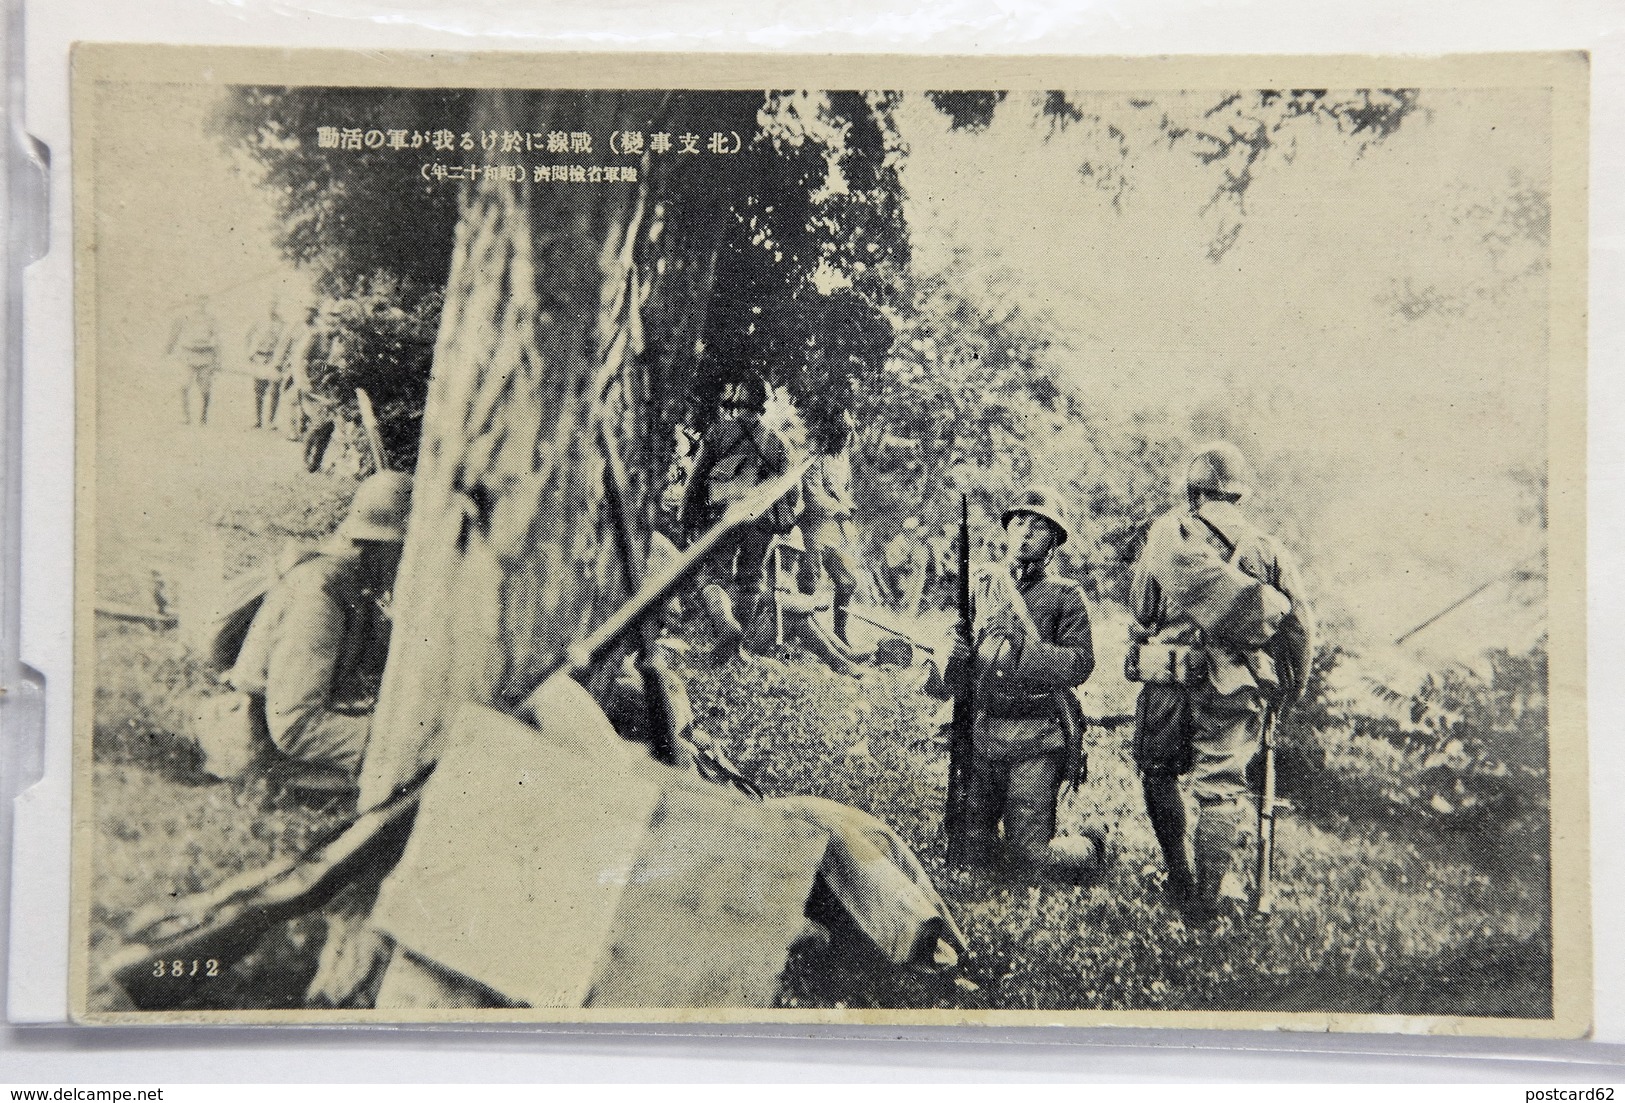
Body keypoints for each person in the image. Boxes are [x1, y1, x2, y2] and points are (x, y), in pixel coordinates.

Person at [1129, 442, 1314, 922]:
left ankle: (1179, 876)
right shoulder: (1267, 548)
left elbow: (1143, 609)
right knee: (1220, 788)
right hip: (1233, 688)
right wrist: (1290, 688)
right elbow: (1300, 628)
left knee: (1158, 773)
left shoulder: (1166, 535)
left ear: (1193, 492)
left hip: (1167, 679)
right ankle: (1208, 900)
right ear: (1237, 495)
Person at [206, 470, 412, 782]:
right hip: (265, 744)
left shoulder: (358, 586)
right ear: (383, 547)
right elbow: (295, 725)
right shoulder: (319, 594)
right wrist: (400, 745)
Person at [941, 486, 1101, 882]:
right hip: (982, 731)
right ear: (1006, 531)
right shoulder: (981, 585)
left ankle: (1090, 847)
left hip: (1037, 736)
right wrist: (954, 652)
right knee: (967, 853)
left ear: (1054, 542)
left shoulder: (1066, 597)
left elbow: (1080, 663)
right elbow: (956, 635)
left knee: (1030, 858)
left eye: (1039, 526)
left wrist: (1023, 651)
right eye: (1019, 523)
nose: (1026, 533)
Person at [678, 376, 797, 661]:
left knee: (712, 576)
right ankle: (739, 648)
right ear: (764, 405)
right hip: (763, 518)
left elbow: (696, 478)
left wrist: (686, 514)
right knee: (751, 579)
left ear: (737, 402)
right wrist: (781, 518)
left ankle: (726, 626)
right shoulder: (778, 442)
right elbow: (792, 490)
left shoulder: (719, 432)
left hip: (725, 514)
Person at [745, 527, 862, 676]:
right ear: (778, 552)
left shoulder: (785, 575)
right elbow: (779, 601)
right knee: (799, 616)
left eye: (796, 553)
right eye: (790, 552)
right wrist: (813, 603)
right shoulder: (767, 574)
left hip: (775, 632)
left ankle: (843, 653)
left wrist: (811, 602)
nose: (795, 557)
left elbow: (792, 600)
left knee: (803, 615)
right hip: (755, 637)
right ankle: (839, 662)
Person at [799, 411, 862, 647]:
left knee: (847, 582)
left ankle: (838, 633)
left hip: (835, 530)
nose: (847, 438)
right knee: (810, 581)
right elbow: (813, 494)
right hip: (813, 527)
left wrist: (847, 514)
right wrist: (839, 510)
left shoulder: (843, 458)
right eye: (843, 433)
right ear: (833, 433)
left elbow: (846, 491)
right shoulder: (816, 456)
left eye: (849, 433)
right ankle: (805, 635)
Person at [166, 297, 220, 426]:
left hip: (205, 356)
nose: (201, 304)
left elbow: (217, 339)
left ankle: (203, 416)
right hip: (188, 355)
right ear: (194, 302)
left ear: (207, 303)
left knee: (205, 389)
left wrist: (217, 359)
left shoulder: (211, 319)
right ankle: (185, 417)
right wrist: (168, 350)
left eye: (204, 301)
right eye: (198, 301)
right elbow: (175, 333)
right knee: (184, 386)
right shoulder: (185, 318)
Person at [245, 301, 289, 430]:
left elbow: (285, 341)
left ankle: (271, 421)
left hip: (274, 358)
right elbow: (248, 336)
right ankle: (258, 419)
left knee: (275, 389)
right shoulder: (259, 321)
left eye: (275, 305)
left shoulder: (282, 323)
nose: (272, 308)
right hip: (259, 357)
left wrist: (281, 359)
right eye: (270, 305)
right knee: (259, 389)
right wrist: (250, 353)